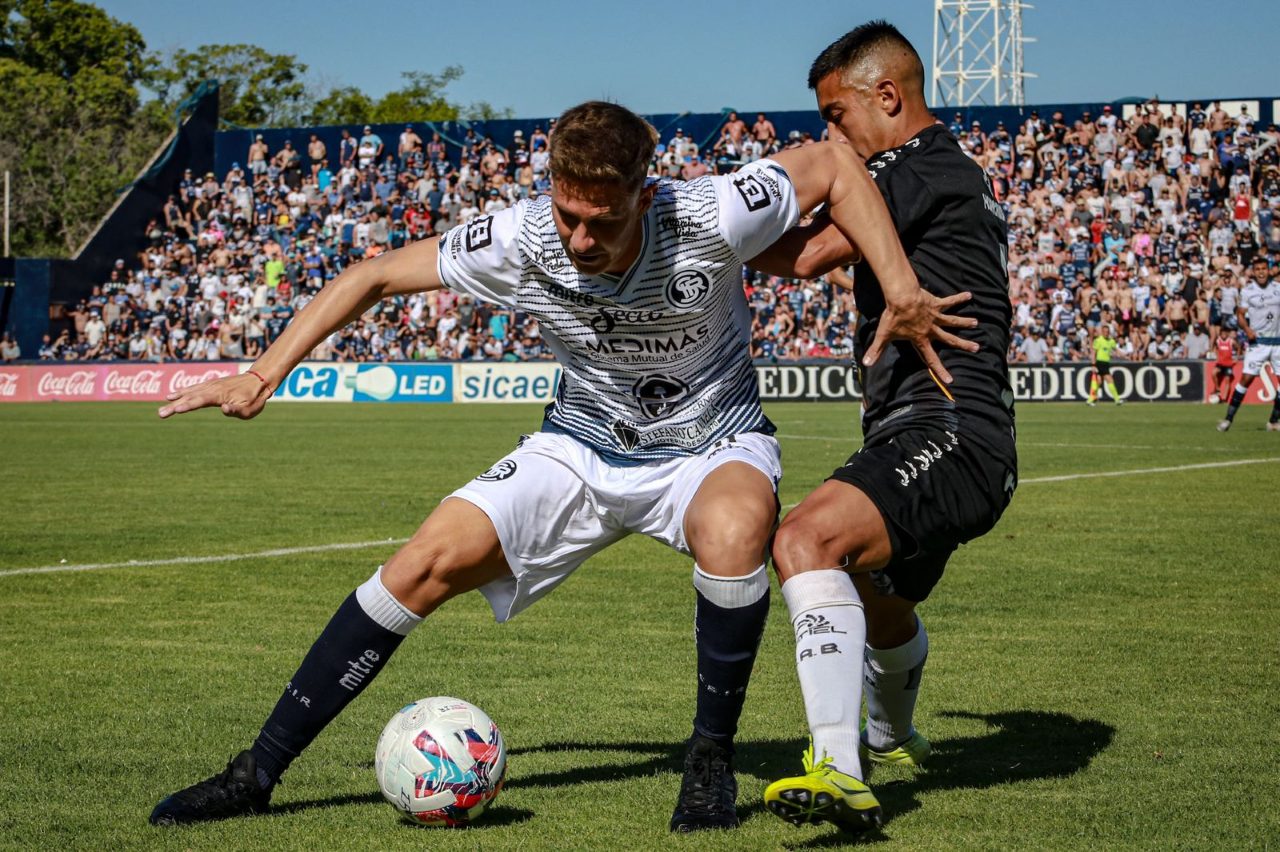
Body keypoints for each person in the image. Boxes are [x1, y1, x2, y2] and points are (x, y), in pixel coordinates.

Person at [148, 100, 957, 832]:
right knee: (422, 562)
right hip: (578, 448)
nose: (578, 239)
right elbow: (371, 277)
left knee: (737, 526)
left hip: (711, 443)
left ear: (646, 195)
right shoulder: (522, 236)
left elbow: (836, 163)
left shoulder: (710, 212)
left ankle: (709, 761)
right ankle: (255, 773)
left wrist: (901, 289)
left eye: (600, 222)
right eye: (568, 214)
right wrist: (262, 373)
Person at [749, 21, 1016, 832]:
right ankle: (892, 738)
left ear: (887, 96)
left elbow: (802, 255)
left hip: (948, 427)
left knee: (803, 541)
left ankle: (837, 766)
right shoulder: (945, 170)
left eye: (836, 116)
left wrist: (688, 231)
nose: (829, 137)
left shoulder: (914, 162)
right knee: (875, 597)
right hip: (951, 433)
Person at [1218, 258, 1280, 431]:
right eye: (1257, 269)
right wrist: (1246, 328)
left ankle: (1274, 421)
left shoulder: (1278, 288)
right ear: (1253, 272)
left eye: (1264, 269)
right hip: (1257, 343)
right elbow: (1240, 315)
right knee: (1246, 379)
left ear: (1269, 271)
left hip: (1278, 343)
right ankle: (1228, 419)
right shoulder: (1247, 291)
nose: (1261, 272)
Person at [1087, 323, 1123, 406]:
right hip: (1100, 363)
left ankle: (1090, 399)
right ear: (1102, 332)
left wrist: (1125, 356)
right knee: (1110, 379)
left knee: (1098, 382)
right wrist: (1093, 364)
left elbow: (1116, 350)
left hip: (1106, 363)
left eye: (1107, 332)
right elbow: (1093, 353)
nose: (1106, 333)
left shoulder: (1111, 341)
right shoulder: (1098, 340)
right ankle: (1117, 399)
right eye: (1104, 332)